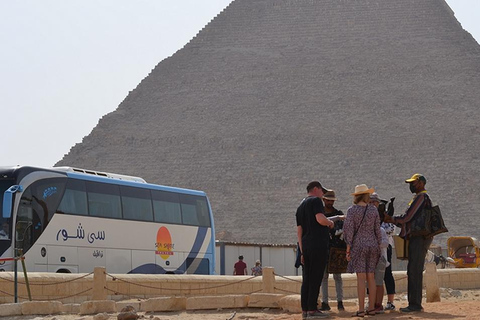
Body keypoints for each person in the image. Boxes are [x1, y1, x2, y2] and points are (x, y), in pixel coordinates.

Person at [385, 173, 433, 313]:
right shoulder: (418, 198)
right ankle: (414, 303)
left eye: (414, 182)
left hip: (419, 238)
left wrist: (391, 219)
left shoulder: (421, 198)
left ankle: (415, 304)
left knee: (415, 270)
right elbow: (408, 220)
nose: (411, 185)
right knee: (413, 270)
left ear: (422, 183)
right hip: (417, 237)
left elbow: (408, 217)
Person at [296, 181, 334, 319]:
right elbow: (320, 219)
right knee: (316, 277)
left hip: (306, 246)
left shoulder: (300, 206)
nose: (323, 194)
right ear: (316, 189)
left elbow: (299, 231)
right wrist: (330, 223)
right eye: (322, 191)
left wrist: (301, 251)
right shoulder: (316, 201)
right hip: (318, 245)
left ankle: (305, 310)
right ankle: (312, 309)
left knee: (307, 279)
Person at [343, 184, 381, 317]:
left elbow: (349, 231)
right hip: (373, 245)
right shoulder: (373, 210)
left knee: (361, 278)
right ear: (366, 195)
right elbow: (378, 230)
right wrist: (378, 245)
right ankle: (371, 308)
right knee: (371, 277)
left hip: (358, 246)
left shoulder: (352, 210)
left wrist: (348, 248)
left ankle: (360, 310)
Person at [319, 190, 345, 312]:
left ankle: (340, 301)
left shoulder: (338, 213)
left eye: (331, 200)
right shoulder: (320, 214)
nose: (330, 202)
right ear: (324, 200)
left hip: (336, 248)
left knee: (337, 276)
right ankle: (325, 302)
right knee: (324, 276)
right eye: (328, 200)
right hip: (324, 247)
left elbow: (342, 229)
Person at [369, 193, 389, 314]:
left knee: (379, 282)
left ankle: (378, 304)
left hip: (380, 258)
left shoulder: (381, 230)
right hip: (369, 257)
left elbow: (385, 243)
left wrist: (374, 244)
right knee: (370, 282)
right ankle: (372, 303)